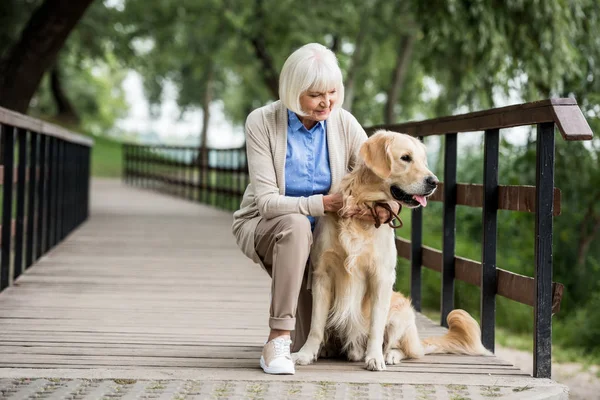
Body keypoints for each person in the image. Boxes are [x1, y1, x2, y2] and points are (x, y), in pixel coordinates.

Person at [232, 43, 399, 375]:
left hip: (326, 239)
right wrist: (322, 205)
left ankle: (301, 338)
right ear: (294, 92)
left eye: (333, 92)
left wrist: (388, 207)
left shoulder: (344, 123)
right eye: (315, 95)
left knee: (326, 345)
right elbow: (266, 202)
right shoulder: (262, 123)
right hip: (271, 226)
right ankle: (276, 340)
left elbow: (375, 174)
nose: (327, 102)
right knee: (295, 227)